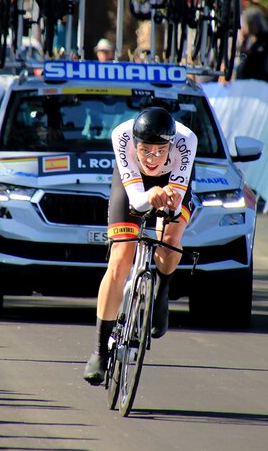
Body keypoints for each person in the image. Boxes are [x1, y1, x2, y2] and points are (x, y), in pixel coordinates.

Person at [83, 107, 197, 385]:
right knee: (121, 260)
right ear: (134, 143)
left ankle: (161, 292)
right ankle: (99, 351)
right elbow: (135, 201)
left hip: (171, 185)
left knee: (169, 241)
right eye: (145, 150)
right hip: (132, 187)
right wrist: (150, 194)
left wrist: (166, 199)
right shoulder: (120, 135)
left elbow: (176, 200)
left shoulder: (187, 140)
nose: (153, 157)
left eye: (161, 150)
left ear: (171, 144)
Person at [234, 7, 268, 81]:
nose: (249, 27)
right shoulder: (247, 38)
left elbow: (264, 57)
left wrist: (249, 52)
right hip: (246, 79)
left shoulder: (267, 37)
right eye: (248, 24)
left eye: (251, 24)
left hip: (260, 78)